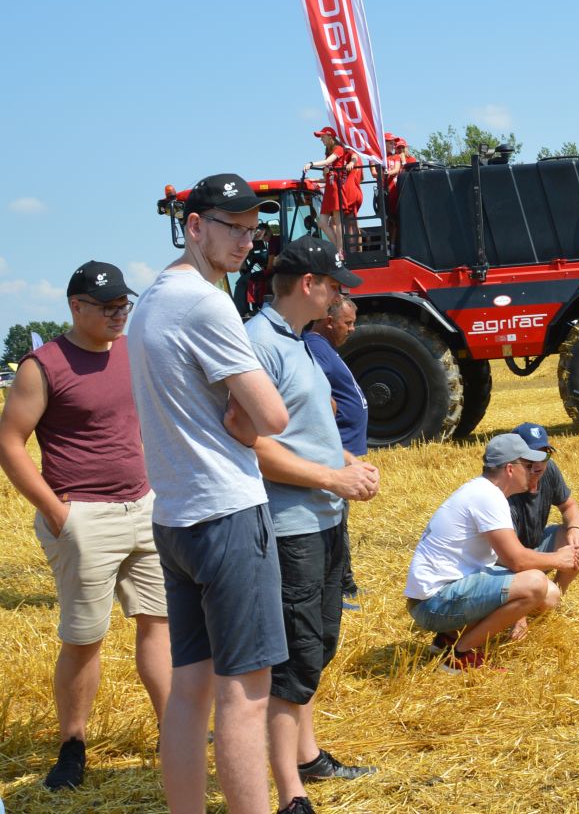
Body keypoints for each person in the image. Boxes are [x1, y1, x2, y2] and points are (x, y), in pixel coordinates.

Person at [128, 173, 291, 813]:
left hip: (174, 517)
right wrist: (247, 419)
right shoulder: (206, 302)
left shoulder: (151, 300)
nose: (248, 241)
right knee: (246, 696)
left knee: (189, 691)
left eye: (254, 229)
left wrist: (240, 416)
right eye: (233, 227)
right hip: (226, 513)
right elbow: (269, 417)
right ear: (194, 226)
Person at [0, 262, 169, 791]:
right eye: (109, 308)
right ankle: (72, 745)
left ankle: (175, 730)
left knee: (159, 624)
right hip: (82, 518)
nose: (120, 315)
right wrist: (57, 513)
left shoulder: (132, 353)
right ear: (76, 307)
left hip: (144, 509)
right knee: (84, 639)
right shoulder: (42, 366)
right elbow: (9, 443)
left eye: (125, 306)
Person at [245, 238, 378, 814]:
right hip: (291, 523)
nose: (340, 294)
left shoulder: (299, 342)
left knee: (317, 645)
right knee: (294, 658)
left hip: (322, 517)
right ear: (308, 285)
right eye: (334, 284)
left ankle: (308, 757)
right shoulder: (258, 344)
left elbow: (306, 430)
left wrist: (347, 464)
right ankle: (291, 794)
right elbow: (254, 449)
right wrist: (331, 480)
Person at [405, 435, 565, 672]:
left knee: (546, 592)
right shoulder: (488, 496)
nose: (533, 471)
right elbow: (517, 560)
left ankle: (447, 639)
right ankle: (460, 655)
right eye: (528, 466)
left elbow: (503, 560)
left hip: (430, 600)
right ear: (510, 469)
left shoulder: (481, 491)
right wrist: (559, 559)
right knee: (535, 585)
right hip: (433, 604)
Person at [305, 295, 368, 606]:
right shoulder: (315, 347)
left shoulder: (325, 348)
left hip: (342, 450)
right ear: (329, 321)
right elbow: (317, 395)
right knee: (333, 523)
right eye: (348, 323)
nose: (352, 329)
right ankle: (339, 589)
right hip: (334, 452)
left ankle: (345, 583)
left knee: (340, 521)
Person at [507, 422, 579, 604]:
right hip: (510, 563)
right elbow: (511, 558)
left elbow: (569, 505)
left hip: (534, 549)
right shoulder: (507, 488)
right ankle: (527, 603)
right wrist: (518, 618)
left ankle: (560, 594)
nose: (538, 463)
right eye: (530, 456)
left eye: (545, 454)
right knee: (547, 597)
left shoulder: (549, 469)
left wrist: (574, 528)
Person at [304, 127, 363, 254]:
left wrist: (311, 164)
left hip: (336, 187)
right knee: (322, 222)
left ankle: (340, 250)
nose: (321, 139)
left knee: (337, 221)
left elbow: (328, 162)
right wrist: (315, 179)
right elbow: (327, 175)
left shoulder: (339, 149)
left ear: (330, 136)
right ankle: (339, 248)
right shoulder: (329, 151)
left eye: (323, 137)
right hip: (329, 189)